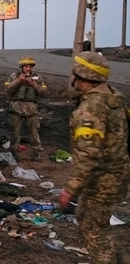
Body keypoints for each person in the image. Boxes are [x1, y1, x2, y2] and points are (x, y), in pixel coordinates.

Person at [59, 51, 130, 264]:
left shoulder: (90, 108)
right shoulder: (113, 98)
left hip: (101, 180)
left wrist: (70, 189)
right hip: (116, 174)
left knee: (95, 230)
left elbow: (90, 155)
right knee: (96, 224)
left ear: (80, 76)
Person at [4, 56, 48, 160]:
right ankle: (14, 152)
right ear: (22, 67)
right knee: (15, 132)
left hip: (31, 108)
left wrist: (35, 85)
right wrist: (18, 81)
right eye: (26, 66)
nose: (28, 69)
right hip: (16, 108)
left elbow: (45, 93)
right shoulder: (14, 76)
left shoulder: (37, 77)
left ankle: (36, 153)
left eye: (30, 66)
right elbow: (7, 89)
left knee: (34, 132)